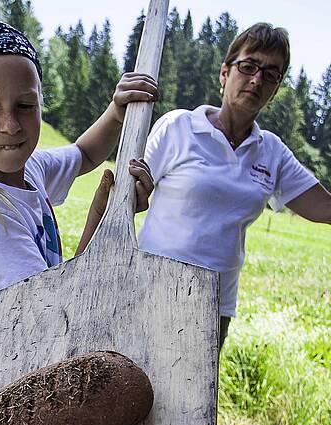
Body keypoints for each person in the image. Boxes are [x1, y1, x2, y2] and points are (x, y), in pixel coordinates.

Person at [0, 19, 157, 419]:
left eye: (26, 105)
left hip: (24, 376)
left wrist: (117, 112)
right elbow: (56, 315)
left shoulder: (27, 170)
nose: (11, 125)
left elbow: (85, 155)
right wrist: (106, 218)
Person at [138, 23, 331, 349]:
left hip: (214, 306)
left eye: (271, 74)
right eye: (248, 66)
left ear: (275, 88)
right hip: (148, 287)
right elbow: (128, 197)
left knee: (191, 398)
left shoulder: (272, 152)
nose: (257, 79)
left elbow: (324, 207)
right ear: (225, 73)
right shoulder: (178, 127)